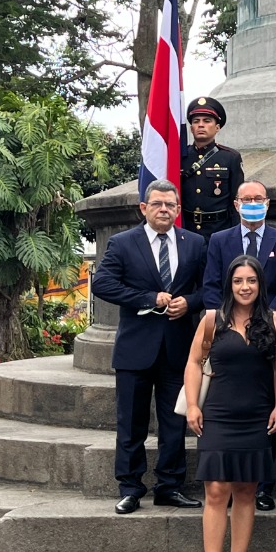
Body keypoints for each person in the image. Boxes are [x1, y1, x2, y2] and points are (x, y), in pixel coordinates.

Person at [93, 179, 207, 514]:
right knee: (131, 423)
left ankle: (169, 486)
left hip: (178, 349)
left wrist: (189, 302)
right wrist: (148, 298)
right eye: (156, 204)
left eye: (170, 205)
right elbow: (103, 283)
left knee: (174, 423)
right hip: (135, 349)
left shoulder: (195, 243)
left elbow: (209, 289)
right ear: (144, 208)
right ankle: (130, 487)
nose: (163, 210)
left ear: (178, 209)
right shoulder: (123, 243)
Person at [183, 255, 276, 552]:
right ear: (229, 285)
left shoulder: (275, 321)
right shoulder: (213, 320)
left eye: (251, 281)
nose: (245, 287)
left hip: (257, 415)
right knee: (216, 490)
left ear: (260, 285)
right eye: (238, 281)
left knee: (246, 490)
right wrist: (193, 405)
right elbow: (194, 362)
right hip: (218, 414)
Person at [199, 180, 276, 511]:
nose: (253, 202)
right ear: (236, 204)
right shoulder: (219, 240)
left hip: (266, 334)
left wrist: (267, 322)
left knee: (267, 408)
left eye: (258, 198)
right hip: (227, 330)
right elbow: (212, 284)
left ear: (267, 203)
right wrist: (225, 318)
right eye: (246, 198)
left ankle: (263, 487)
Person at [180, 97, 244, 238]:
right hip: (187, 231)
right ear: (191, 128)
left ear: (217, 128)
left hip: (219, 231)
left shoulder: (230, 158)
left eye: (207, 121)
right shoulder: (180, 157)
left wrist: (234, 235)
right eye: (196, 121)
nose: (201, 125)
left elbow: (236, 201)